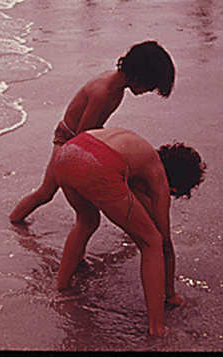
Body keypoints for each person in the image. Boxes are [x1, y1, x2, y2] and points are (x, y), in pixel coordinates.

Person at [53, 127, 206, 336]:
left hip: (68, 153)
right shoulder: (158, 175)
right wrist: (170, 294)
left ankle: (61, 286)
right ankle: (157, 327)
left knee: (86, 221)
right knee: (152, 242)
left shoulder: (139, 151)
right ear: (176, 187)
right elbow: (164, 243)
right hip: (98, 162)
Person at [9, 41, 176, 223]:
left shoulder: (116, 88)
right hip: (67, 140)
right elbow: (82, 138)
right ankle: (14, 221)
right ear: (138, 77)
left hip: (82, 136)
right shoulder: (102, 92)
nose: (148, 92)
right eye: (149, 87)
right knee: (46, 192)